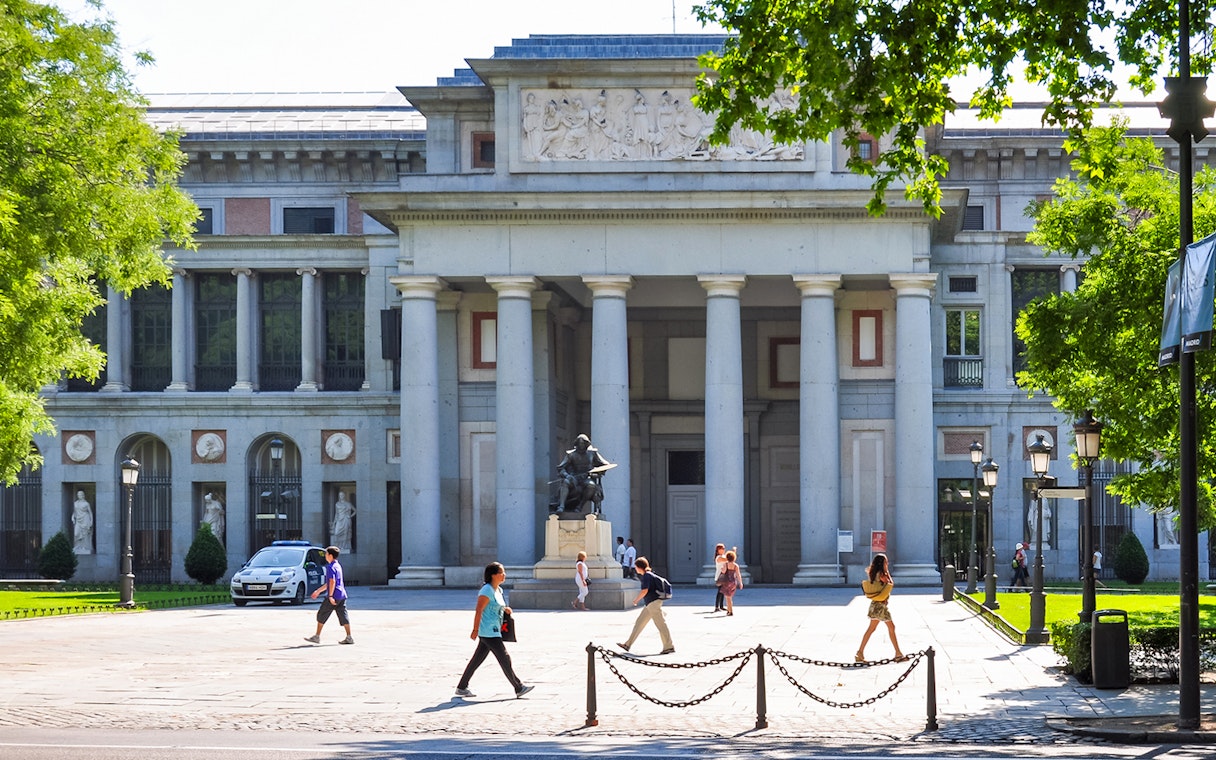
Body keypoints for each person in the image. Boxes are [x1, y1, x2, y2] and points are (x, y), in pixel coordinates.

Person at [455, 562, 534, 698]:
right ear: (493, 575)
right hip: (488, 630)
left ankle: (461, 687)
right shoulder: (486, 590)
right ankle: (518, 687)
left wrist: (505, 609)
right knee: (505, 658)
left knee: (476, 660)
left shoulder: (498, 590)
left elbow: (497, 607)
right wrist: (475, 629)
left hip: (495, 629)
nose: (504, 575)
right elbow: (479, 610)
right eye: (501, 573)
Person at [617, 556, 675, 655]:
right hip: (650, 604)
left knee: (661, 624)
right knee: (639, 623)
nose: (635, 569)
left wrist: (636, 600)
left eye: (636, 567)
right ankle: (628, 644)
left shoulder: (647, 576)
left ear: (640, 567)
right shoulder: (649, 575)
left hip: (653, 603)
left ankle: (669, 646)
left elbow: (645, 591)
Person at [856, 553, 907, 663]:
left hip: (876, 605)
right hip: (880, 607)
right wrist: (888, 572)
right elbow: (890, 584)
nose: (887, 564)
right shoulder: (882, 574)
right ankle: (898, 653)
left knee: (872, 629)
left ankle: (860, 653)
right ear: (882, 563)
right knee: (890, 627)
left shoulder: (874, 573)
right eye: (886, 562)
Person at [304, 546, 353, 645]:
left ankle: (317, 636)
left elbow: (332, 581)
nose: (325, 556)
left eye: (326, 554)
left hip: (334, 595)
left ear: (330, 555)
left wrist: (330, 596)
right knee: (343, 615)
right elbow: (329, 583)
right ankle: (349, 637)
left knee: (322, 614)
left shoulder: (330, 567)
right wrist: (318, 591)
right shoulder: (338, 566)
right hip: (342, 595)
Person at [555, 434, 612, 513]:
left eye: (583, 443)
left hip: (587, 478)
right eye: (579, 443)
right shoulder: (571, 454)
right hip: (574, 477)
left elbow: (606, 465)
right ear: (576, 444)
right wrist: (567, 475)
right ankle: (561, 506)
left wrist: (597, 473)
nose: (581, 445)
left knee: (591, 485)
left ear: (586, 444)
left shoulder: (592, 453)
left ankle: (580, 506)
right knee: (566, 482)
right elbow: (561, 468)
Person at [719, 550, 743, 616]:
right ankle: (729, 610)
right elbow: (738, 575)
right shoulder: (736, 565)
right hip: (733, 582)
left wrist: (721, 569)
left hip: (726, 582)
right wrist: (740, 583)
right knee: (730, 597)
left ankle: (730, 610)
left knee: (727, 597)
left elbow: (723, 572)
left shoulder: (726, 564)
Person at [711, 543, 727, 612]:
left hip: (723, 575)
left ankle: (721, 606)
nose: (724, 550)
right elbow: (728, 559)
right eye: (722, 548)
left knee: (723, 591)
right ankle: (717, 607)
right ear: (718, 550)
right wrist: (733, 552)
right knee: (720, 591)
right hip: (719, 576)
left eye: (724, 548)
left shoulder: (722, 556)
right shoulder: (719, 557)